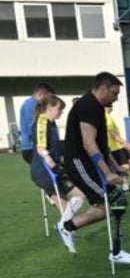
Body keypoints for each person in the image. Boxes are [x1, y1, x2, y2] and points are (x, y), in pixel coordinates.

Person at [60, 72, 130, 264]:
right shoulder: (88, 106)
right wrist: (107, 174)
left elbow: (103, 146)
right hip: (79, 163)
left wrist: (116, 169)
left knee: (119, 202)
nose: (116, 97)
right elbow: (89, 144)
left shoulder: (98, 108)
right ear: (103, 88)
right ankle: (68, 227)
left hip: (89, 163)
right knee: (108, 205)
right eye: (114, 93)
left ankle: (117, 252)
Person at [30, 95, 87, 235]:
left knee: (79, 196)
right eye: (59, 109)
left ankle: (63, 226)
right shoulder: (43, 120)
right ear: (49, 108)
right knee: (72, 202)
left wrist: (62, 163)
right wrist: (53, 165)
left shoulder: (52, 123)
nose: (61, 113)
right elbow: (41, 148)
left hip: (52, 169)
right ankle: (65, 228)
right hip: (44, 171)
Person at [19, 83, 55, 164]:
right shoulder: (31, 105)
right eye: (48, 97)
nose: (49, 100)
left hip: (33, 147)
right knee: (46, 173)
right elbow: (34, 127)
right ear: (40, 94)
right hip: (32, 147)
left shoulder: (32, 104)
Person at [105, 104, 130, 191]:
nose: (111, 106)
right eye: (109, 105)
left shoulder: (108, 116)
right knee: (125, 166)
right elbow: (113, 134)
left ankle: (119, 175)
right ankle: (125, 186)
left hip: (118, 146)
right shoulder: (106, 117)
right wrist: (126, 144)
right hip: (113, 147)